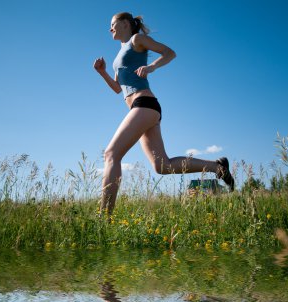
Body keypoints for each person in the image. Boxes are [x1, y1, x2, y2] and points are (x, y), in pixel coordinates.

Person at [93, 12, 234, 215]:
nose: (110, 28)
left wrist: (151, 67)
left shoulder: (137, 39)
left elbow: (169, 52)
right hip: (140, 109)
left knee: (111, 154)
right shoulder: (119, 54)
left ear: (125, 24)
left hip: (145, 104)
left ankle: (104, 217)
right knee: (162, 166)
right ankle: (217, 167)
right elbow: (117, 88)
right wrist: (102, 72)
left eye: (113, 24)